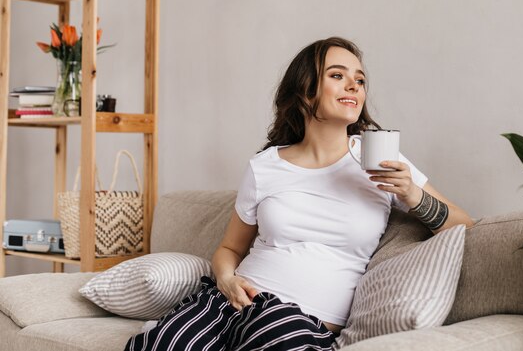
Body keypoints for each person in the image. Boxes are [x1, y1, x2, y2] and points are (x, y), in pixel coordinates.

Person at [125, 37, 473, 351]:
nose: (354, 84)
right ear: (306, 91)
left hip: (298, 322)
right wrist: (227, 280)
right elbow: (231, 248)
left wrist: (414, 195)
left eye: (361, 79)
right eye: (337, 75)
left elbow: (464, 225)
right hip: (229, 303)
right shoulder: (265, 167)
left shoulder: (381, 158)